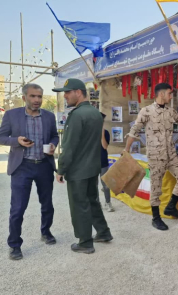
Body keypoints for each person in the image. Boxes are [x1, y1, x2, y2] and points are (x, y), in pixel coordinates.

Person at [0, 83, 59, 260]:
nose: (37, 100)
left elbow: (55, 135)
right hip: (21, 166)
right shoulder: (11, 115)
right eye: (33, 96)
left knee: (47, 204)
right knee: (18, 208)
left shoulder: (48, 116)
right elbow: (0, 138)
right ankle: (15, 244)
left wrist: (53, 144)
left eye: (39, 96)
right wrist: (17, 141)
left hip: (44, 166)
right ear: (24, 98)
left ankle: (46, 232)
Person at [53, 78, 112, 254]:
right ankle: (103, 232)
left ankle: (85, 242)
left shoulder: (77, 114)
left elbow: (69, 146)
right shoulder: (95, 113)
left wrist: (61, 169)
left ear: (78, 92)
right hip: (92, 167)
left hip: (78, 170)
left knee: (79, 205)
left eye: (67, 92)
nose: (65, 96)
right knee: (93, 201)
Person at [124, 83, 178, 231]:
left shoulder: (171, 111)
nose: (171, 96)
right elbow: (134, 130)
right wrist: (126, 149)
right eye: (169, 94)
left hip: (171, 154)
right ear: (162, 94)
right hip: (155, 156)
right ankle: (156, 218)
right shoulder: (146, 111)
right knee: (156, 186)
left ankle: (170, 207)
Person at [99, 112, 114, 212]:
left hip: (103, 162)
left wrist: (102, 134)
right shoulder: (89, 133)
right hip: (91, 162)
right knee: (93, 185)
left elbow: (104, 146)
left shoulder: (106, 133)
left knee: (105, 184)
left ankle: (108, 203)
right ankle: (96, 204)